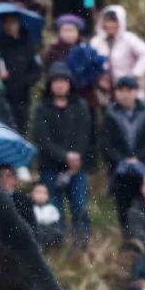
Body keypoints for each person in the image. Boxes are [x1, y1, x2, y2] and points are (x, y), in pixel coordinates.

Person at [31, 68, 94, 247]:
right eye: (56, 81)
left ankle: (82, 244)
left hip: (75, 167)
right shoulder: (42, 107)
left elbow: (85, 133)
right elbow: (42, 138)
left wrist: (76, 156)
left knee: (80, 206)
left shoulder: (80, 105)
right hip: (50, 165)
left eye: (64, 81)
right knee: (54, 208)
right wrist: (64, 155)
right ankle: (57, 245)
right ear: (50, 84)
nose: (60, 85)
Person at [97, 75, 145, 228]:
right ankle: (128, 243)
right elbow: (106, 144)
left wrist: (138, 158)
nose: (125, 94)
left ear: (136, 92)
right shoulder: (110, 114)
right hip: (120, 170)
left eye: (129, 90)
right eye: (121, 90)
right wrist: (122, 159)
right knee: (123, 208)